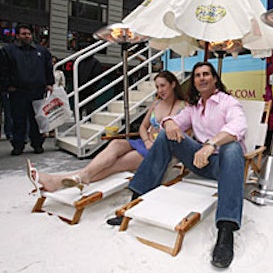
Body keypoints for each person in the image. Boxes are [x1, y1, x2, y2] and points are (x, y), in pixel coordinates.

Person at [107, 62, 247, 269]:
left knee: (233, 147)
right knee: (166, 135)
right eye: (197, 75)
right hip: (199, 161)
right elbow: (175, 121)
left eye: (206, 74)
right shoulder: (193, 107)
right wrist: (169, 123)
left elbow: (238, 126)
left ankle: (226, 232)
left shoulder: (228, 103)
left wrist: (210, 145)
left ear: (215, 78)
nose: (202, 78)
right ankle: (135, 201)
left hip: (224, 165)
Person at [27, 71, 186, 192]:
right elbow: (143, 127)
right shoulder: (156, 103)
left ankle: (59, 181)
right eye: (157, 86)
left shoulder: (183, 107)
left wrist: (155, 145)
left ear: (173, 84)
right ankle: (83, 175)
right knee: (116, 143)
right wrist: (146, 141)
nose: (160, 90)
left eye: (163, 86)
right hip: (145, 143)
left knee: (116, 164)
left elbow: (185, 136)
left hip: (160, 151)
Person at [0, 24, 54, 155]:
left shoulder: (42, 51)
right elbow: (3, 70)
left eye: (28, 34)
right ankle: (18, 145)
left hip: (37, 90)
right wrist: (7, 86)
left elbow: (48, 68)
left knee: (37, 119)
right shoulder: (8, 51)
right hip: (18, 91)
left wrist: (49, 83)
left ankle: (37, 144)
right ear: (17, 36)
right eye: (23, 34)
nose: (27, 36)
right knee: (18, 120)